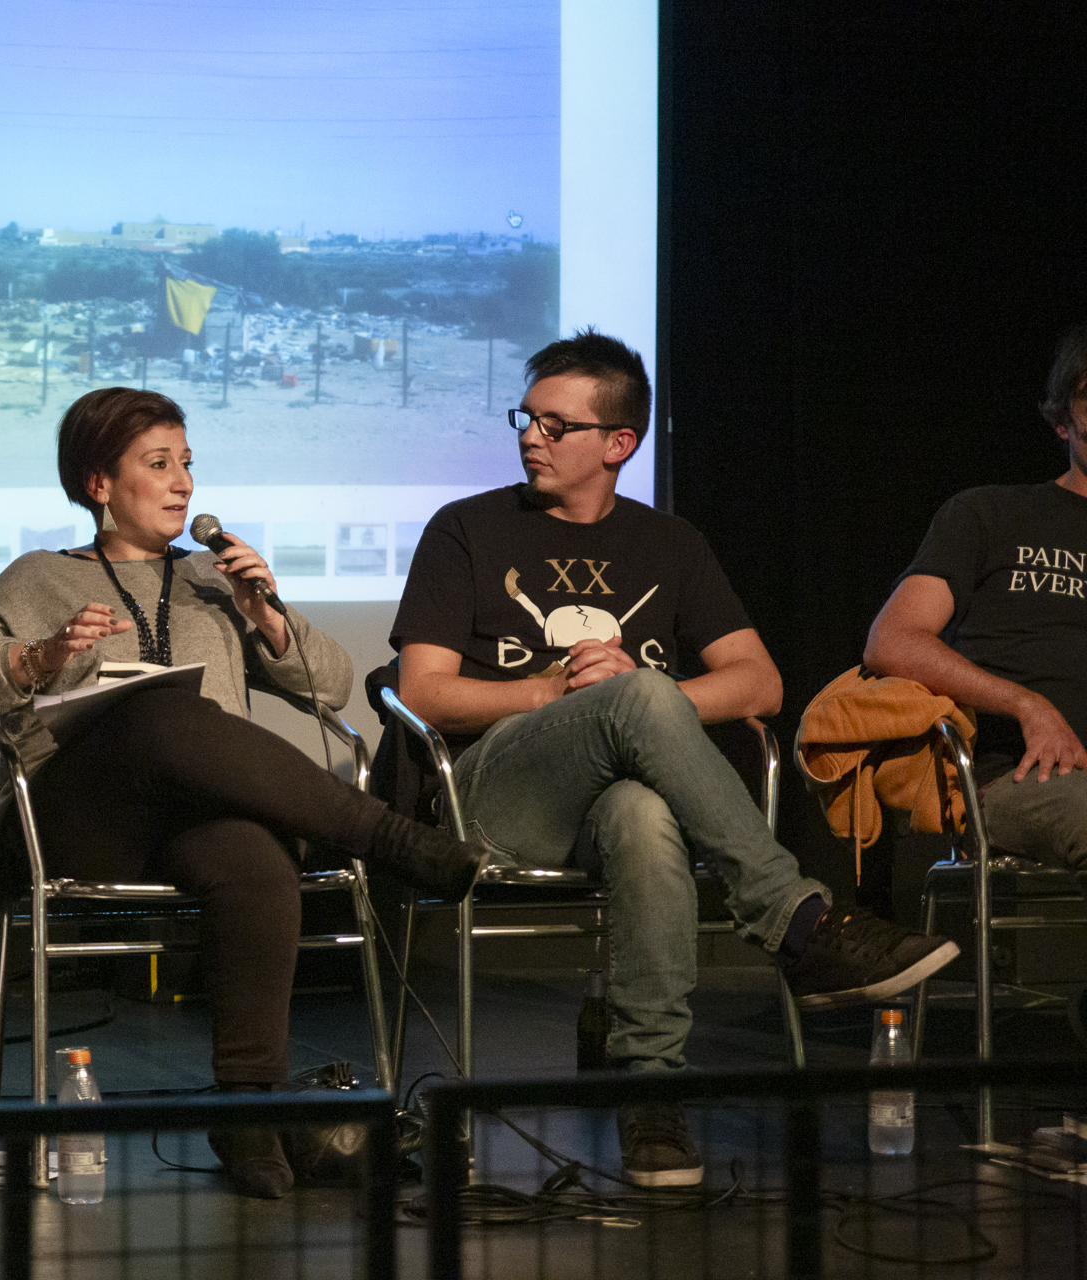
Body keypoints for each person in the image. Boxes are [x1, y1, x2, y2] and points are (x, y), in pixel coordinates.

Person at [388, 329, 958, 1188]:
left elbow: (761, 683)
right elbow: (424, 692)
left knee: (644, 810)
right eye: (526, 419)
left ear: (618, 443)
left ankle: (650, 1089)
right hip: (493, 795)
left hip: (608, 807)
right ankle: (797, 922)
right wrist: (554, 692)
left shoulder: (670, 544)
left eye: (555, 425)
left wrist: (640, 698)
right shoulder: (467, 528)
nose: (531, 437)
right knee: (643, 697)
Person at [0, 386, 484, 1199]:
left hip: (191, 826)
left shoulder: (214, 581)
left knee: (254, 858)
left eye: (187, 463)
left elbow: (331, 685)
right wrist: (40, 657)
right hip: (77, 820)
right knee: (159, 709)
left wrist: (268, 617)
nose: (183, 482)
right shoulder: (39, 575)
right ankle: (388, 836)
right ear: (98, 483)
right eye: (158, 464)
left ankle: (246, 1109)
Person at [864, 322, 1087, 870]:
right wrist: (1027, 704)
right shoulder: (991, 514)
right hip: (1024, 778)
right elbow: (893, 640)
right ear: (1063, 420)